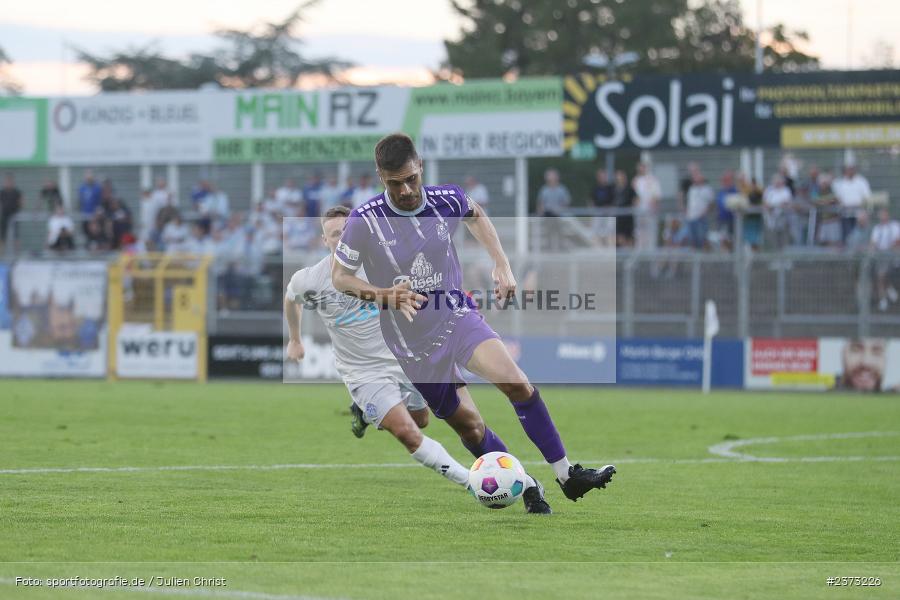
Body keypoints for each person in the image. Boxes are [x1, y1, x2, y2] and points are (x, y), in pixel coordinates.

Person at [332, 133, 616, 512]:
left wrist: (501, 262)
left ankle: (567, 474)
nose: (405, 190)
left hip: (455, 316)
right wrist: (386, 295)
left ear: (421, 168)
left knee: (516, 382)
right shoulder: (364, 221)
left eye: (411, 179)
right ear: (380, 177)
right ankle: (527, 485)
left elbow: (476, 214)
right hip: (413, 346)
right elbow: (340, 277)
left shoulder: (445, 198)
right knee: (471, 428)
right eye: (394, 183)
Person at [285, 205, 473, 493]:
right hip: (363, 371)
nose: (341, 238)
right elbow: (291, 299)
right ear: (325, 240)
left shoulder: (384, 265)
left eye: (346, 231)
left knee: (421, 420)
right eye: (334, 234)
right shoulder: (311, 279)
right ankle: (472, 483)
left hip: (405, 360)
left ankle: (364, 413)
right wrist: (295, 339)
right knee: (407, 433)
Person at [870, 208, 900, 312]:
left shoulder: (895, 226)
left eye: (884, 215)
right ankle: (884, 297)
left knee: (881, 275)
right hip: (881, 256)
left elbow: (897, 242)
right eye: (881, 215)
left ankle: (888, 290)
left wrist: (887, 250)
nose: (882, 217)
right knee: (880, 275)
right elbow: (873, 243)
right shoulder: (877, 229)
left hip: (893, 256)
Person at [833, 165, 871, 242]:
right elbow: (837, 197)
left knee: (859, 235)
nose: (850, 171)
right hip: (845, 213)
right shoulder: (840, 183)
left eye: (851, 169)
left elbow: (867, 196)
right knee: (847, 236)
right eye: (848, 170)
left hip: (859, 215)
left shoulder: (861, 181)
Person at [632, 162, 661, 252]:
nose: (641, 169)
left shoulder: (652, 179)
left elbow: (657, 196)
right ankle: (639, 255)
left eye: (643, 167)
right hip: (639, 213)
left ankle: (651, 257)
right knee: (639, 235)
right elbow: (633, 196)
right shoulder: (635, 180)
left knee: (651, 235)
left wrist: (653, 206)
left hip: (649, 213)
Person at [684, 169, 713, 250]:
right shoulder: (691, 189)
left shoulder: (707, 189)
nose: (695, 179)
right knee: (692, 240)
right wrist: (687, 213)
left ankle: (703, 260)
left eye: (697, 177)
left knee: (702, 239)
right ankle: (695, 261)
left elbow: (711, 204)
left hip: (701, 219)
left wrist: (703, 213)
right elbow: (690, 203)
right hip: (690, 218)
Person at [0, 173, 23, 246]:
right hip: (5, 213)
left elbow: (21, 201)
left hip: (14, 213)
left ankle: (17, 253)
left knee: (16, 234)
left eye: (10, 181)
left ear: (12, 182)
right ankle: (1, 253)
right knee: (3, 234)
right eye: (7, 182)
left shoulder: (16, 191)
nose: (8, 183)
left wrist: (19, 209)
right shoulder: (2, 192)